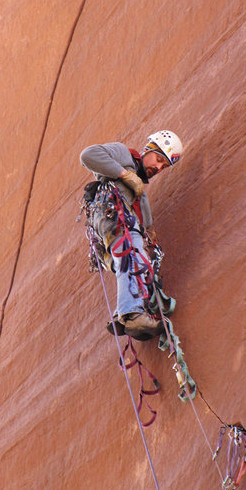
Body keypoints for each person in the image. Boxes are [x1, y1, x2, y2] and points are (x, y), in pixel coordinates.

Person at [80, 130, 183, 339]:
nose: (159, 167)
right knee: (131, 254)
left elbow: (143, 211)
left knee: (132, 261)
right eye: (159, 159)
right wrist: (124, 174)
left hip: (107, 224)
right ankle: (132, 314)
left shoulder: (139, 187)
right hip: (113, 214)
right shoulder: (123, 155)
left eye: (164, 166)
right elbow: (87, 156)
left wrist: (150, 234)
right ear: (148, 150)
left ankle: (122, 315)